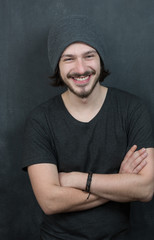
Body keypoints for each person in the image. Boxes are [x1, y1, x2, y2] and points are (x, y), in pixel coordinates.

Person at [22, 16, 154, 240]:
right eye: (69, 59)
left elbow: (145, 189)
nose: (81, 68)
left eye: (89, 56)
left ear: (100, 59)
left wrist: (76, 178)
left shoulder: (133, 109)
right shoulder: (40, 120)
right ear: (57, 65)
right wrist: (119, 181)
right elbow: (50, 202)